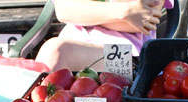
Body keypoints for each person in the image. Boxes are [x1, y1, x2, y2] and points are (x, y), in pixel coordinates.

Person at [36, 0, 171, 71]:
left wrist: (85, 12)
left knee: (56, 51)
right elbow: (65, 10)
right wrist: (124, 11)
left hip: (128, 59)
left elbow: (146, 17)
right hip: (74, 46)